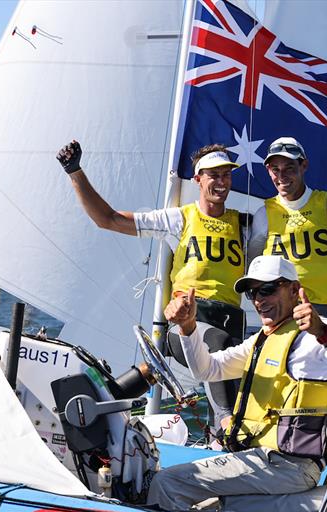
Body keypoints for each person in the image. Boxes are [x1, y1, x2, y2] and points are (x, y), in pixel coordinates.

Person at [147, 255, 327, 512]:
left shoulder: (318, 333)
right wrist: (188, 327)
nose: (258, 300)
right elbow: (207, 369)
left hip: (287, 465)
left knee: (167, 483)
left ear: (294, 290)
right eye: (252, 293)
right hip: (261, 458)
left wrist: (323, 333)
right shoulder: (262, 339)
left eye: (267, 289)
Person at [57, 140, 246, 437]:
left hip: (231, 326)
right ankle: (227, 425)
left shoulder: (244, 225)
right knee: (217, 348)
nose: (221, 182)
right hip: (187, 326)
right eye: (214, 175)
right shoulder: (179, 219)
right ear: (198, 180)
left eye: (226, 175)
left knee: (251, 369)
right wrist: (74, 171)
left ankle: (224, 441)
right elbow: (108, 220)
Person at [248, 137, 327, 323]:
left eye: (289, 168)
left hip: (323, 311)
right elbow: (252, 262)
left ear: (304, 166)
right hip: (280, 312)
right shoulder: (264, 214)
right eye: (275, 170)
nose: (281, 176)